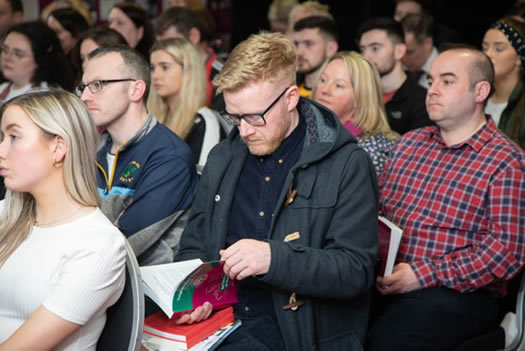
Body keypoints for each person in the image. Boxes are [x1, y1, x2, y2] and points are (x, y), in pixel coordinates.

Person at [175, 32, 379, 350]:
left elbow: (356, 271)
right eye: (234, 116)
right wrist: (195, 294)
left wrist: (273, 259)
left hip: (297, 332)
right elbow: (193, 244)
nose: (244, 130)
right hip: (221, 320)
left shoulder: (346, 163)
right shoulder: (224, 156)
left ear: (290, 99)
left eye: (255, 117)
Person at [366, 47, 525, 350]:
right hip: (385, 277)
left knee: (386, 342)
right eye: (431, 79)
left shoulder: (507, 162)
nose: (432, 90)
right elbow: (379, 215)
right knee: (322, 323)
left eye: (447, 81)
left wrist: (423, 274)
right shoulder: (410, 144)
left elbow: (505, 253)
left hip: (456, 292)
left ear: (480, 91)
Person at [0, 89, 126, 349]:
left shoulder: (98, 244)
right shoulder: (6, 213)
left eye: (13, 137)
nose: (1, 150)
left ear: (58, 148)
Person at [78, 45, 197, 265]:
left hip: (144, 292)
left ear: (135, 90)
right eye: (83, 87)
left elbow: (122, 243)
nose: (84, 96)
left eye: (98, 85)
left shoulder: (169, 156)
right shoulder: (91, 149)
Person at [313, 51, 398, 175]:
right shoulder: (307, 133)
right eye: (323, 80)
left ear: (361, 96)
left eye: (339, 85)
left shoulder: (371, 150)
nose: (325, 90)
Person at [148, 38, 224, 171]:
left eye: (164, 67)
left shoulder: (205, 122)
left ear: (188, 70)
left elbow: (203, 182)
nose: (155, 75)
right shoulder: (152, 118)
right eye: (152, 68)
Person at [358, 17, 431, 135]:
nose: (366, 57)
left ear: (399, 51)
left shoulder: (422, 102)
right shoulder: (358, 95)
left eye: (375, 48)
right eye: (362, 50)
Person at [155, 6, 223, 109]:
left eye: (171, 44)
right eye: (160, 45)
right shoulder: (167, 70)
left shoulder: (221, 77)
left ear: (193, 36)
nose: (163, 52)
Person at [0, 21, 74, 105]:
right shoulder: (2, 88)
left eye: (18, 54)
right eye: (5, 50)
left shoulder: (46, 96)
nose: (7, 57)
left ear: (39, 60)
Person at [482, 16, 525, 149]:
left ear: (519, 57)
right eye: (484, 48)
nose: (488, 54)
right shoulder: (477, 97)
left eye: (499, 49)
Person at [293, 16, 338, 99]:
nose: (299, 52)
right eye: (296, 44)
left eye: (308, 44)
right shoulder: (289, 91)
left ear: (331, 49)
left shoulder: (335, 97)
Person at [401, 13, 438, 88]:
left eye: (409, 52)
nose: (403, 58)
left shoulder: (446, 69)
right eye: (400, 51)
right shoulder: (399, 69)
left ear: (428, 43)